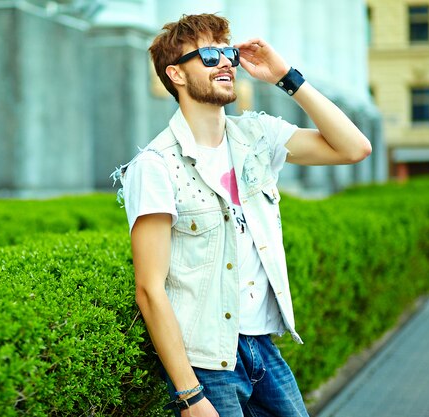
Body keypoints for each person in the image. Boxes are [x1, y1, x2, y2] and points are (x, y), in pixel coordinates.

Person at [111, 13, 372, 417]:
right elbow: (149, 289)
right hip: (206, 363)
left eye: (228, 51)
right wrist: (190, 395)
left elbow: (354, 148)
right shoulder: (156, 166)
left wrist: (287, 77)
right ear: (176, 75)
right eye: (210, 55)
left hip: (262, 348)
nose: (227, 62)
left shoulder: (257, 137)